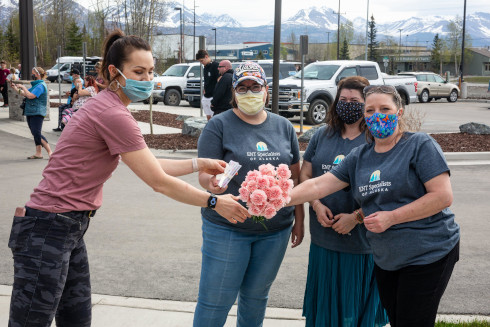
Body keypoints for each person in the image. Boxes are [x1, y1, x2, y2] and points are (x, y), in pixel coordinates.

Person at [7, 29, 249, 327]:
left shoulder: (107, 106)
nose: (147, 79)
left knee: (77, 320)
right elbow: (157, 181)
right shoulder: (113, 114)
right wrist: (214, 202)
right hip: (48, 229)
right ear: (114, 71)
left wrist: (199, 163)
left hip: (66, 227)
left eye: (150, 71)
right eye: (138, 71)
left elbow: (148, 165)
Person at [289, 85, 460, 327]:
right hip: (387, 257)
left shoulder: (420, 145)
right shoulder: (360, 156)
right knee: (397, 318)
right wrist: (278, 199)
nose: (377, 115)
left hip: (429, 252)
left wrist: (392, 217)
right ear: (365, 115)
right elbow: (318, 186)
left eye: (385, 109)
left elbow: (442, 196)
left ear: (399, 112)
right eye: (370, 110)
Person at [194, 61, 305, 327]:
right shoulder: (219, 125)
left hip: (275, 231)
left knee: (256, 298)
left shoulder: (283, 127)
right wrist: (213, 183)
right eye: (242, 88)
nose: (249, 93)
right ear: (233, 92)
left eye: (255, 87)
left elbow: (295, 178)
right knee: (215, 300)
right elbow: (203, 174)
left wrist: (299, 219)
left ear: (266, 90)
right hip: (227, 228)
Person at [301, 76, 388, 327]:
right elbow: (306, 175)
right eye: (343, 99)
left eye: (355, 100)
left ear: (366, 104)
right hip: (323, 240)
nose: (348, 104)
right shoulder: (322, 136)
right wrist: (316, 205)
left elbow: (387, 188)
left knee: (355, 312)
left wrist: (356, 218)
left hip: (362, 243)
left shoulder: (376, 139)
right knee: (325, 312)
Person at [10, 67, 53, 159]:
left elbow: (30, 96)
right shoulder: (35, 85)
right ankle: (38, 153)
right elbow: (24, 93)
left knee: (36, 133)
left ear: (37, 74)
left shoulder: (41, 85)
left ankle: (50, 152)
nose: (31, 75)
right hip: (31, 111)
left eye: (33, 73)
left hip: (37, 112)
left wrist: (23, 87)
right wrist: (15, 88)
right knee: (35, 133)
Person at [196, 49, 219, 120]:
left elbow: (219, 81)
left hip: (213, 95)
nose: (201, 63)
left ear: (206, 56)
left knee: (213, 116)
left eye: (202, 60)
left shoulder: (216, 66)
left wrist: (216, 94)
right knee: (208, 115)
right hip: (206, 95)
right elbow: (206, 80)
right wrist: (205, 89)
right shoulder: (205, 67)